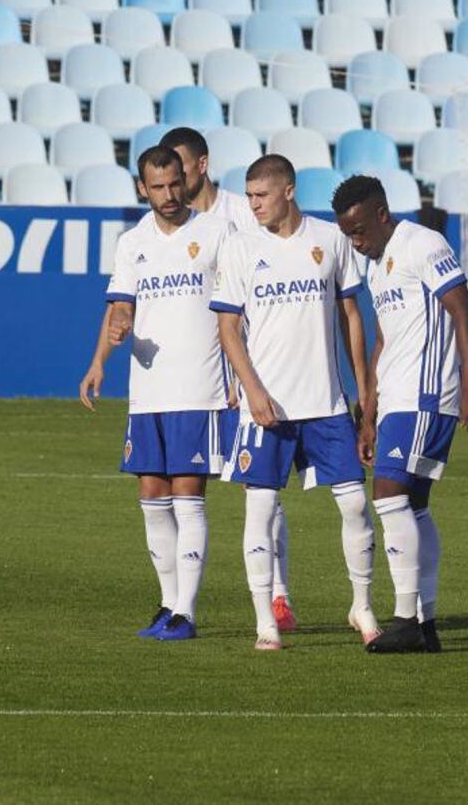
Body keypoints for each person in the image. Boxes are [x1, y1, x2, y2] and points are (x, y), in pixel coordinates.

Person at [209, 154, 379, 651]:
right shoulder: (239, 248)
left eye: (260, 195)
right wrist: (253, 390)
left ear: (287, 191)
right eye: (249, 196)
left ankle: (362, 606)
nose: (253, 205)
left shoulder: (328, 240)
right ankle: (265, 619)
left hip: (325, 404)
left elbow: (351, 315)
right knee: (259, 509)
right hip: (267, 409)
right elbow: (227, 328)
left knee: (354, 505)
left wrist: (362, 390)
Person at [78, 145, 230, 641]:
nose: (168, 195)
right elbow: (120, 305)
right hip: (147, 391)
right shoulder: (132, 242)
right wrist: (101, 357)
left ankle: (186, 612)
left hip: (200, 387)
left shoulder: (215, 232)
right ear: (142, 188)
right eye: (157, 187)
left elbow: (238, 308)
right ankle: (167, 605)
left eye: (174, 184)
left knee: (188, 496)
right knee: (151, 495)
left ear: (187, 179)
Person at [333, 175, 468, 653]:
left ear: (382, 214)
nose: (355, 241)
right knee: (413, 506)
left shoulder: (423, 243)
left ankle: (404, 619)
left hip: (426, 395)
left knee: (388, 494)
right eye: (347, 234)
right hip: (396, 399)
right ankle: (426, 621)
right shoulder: (377, 266)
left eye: (359, 229)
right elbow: (384, 339)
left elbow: (462, 310)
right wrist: (370, 410)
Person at [159, 126, 296, 633]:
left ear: (200, 165)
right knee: (185, 490)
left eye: (178, 167)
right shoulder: (170, 227)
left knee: (258, 490)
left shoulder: (243, 213)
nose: (170, 180)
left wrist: (252, 375)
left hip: (248, 378)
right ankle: (177, 602)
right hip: (200, 381)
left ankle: (278, 594)